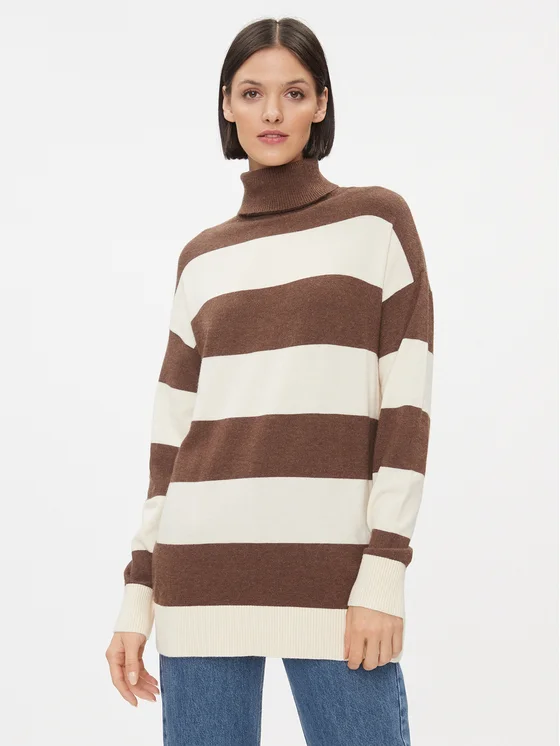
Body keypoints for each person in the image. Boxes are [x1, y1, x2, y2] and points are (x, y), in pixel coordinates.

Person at [106, 16, 434, 746]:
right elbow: (171, 443)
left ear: (321, 103)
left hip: (336, 579)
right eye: (252, 93)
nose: (273, 112)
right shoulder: (202, 258)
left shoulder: (376, 222)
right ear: (227, 104)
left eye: (294, 92)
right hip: (199, 577)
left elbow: (407, 409)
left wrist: (385, 568)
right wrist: (138, 594)